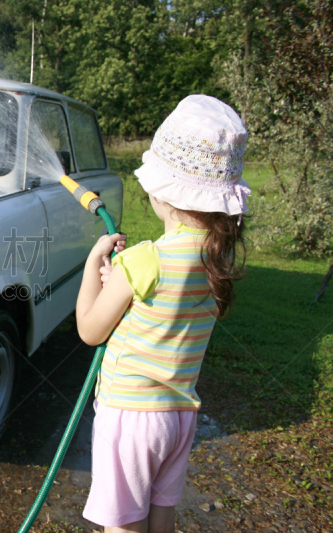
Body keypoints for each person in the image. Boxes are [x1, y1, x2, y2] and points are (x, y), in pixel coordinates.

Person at [76, 95, 251, 533]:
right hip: (179, 416)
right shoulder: (218, 260)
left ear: (161, 190)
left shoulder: (143, 259)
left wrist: (90, 272)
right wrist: (117, 280)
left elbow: (90, 330)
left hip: (132, 418)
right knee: (161, 518)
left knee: (123, 525)